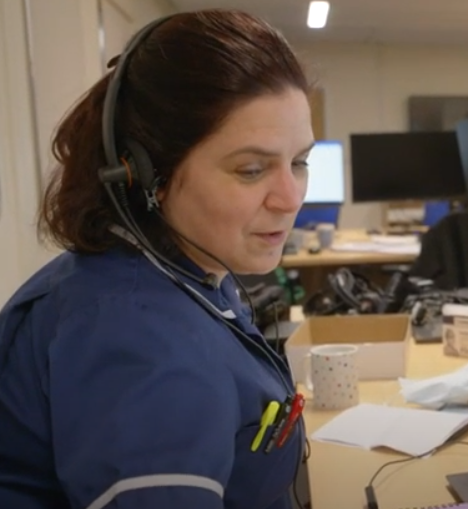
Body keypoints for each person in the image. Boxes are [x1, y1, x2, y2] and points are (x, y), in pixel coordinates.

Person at [0, 10, 313, 509]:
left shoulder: (182, 269)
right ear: (145, 177)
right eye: (252, 170)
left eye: (298, 162)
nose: (290, 197)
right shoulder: (137, 341)